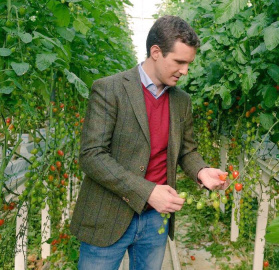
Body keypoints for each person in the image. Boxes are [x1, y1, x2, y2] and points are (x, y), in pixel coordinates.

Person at [70, 15, 229, 269]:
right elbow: (92, 155)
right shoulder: (109, 90)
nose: (185, 71)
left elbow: (186, 150)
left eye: (189, 63)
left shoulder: (181, 101)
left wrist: (201, 170)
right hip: (107, 216)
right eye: (179, 62)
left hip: (155, 219)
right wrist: (148, 191)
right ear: (156, 52)